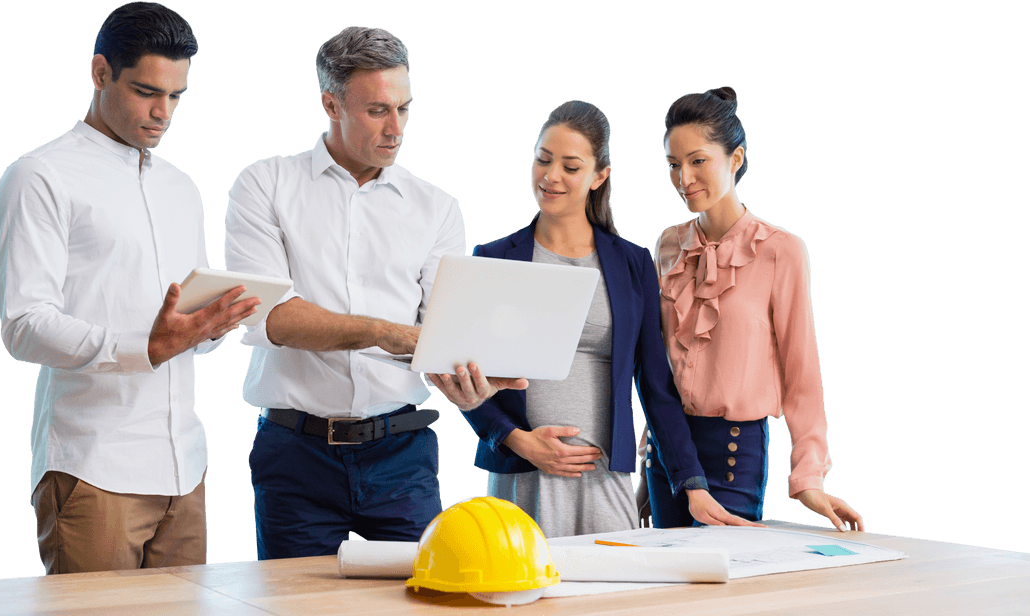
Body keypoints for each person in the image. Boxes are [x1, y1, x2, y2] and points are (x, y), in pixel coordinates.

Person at [0, 2, 259, 574]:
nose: (163, 113)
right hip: (93, 468)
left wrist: (210, 324)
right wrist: (146, 348)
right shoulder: (39, 177)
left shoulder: (181, 187)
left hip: (184, 467)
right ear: (99, 72)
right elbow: (24, 324)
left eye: (176, 97)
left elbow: (182, 323)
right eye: (145, 92)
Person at [429, 101, 754, 538]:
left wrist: (691, 483)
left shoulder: (633, 264)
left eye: (570, 166)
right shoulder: (492, 259)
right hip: (520, 476)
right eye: (543, 160)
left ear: (599, 176)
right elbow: (463, 379)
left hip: (605, 477)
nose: (551, 176)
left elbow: (656, 385)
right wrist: (515, 439)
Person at [224, 26, 475, 558]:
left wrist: (473, 377)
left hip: (403, 454)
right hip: (296, 454)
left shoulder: (437, 208)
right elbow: (272, 319)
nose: (397, 128)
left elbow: (443, 334)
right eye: (378, 110)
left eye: (405, 108)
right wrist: (387, 333)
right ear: (330, 104)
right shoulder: (264, 185)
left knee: (424, 598)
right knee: (295, 606)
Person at [646, 86, 864, 532]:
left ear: (737, 158)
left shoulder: (782, 251)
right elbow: (655, 370)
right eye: (673, 164)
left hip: (732, 455)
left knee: (722, 596)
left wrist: (809, 476)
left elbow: (802, 374)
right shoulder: (668, 246)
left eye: (698, 160)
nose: (683, 178)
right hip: (665, 456)